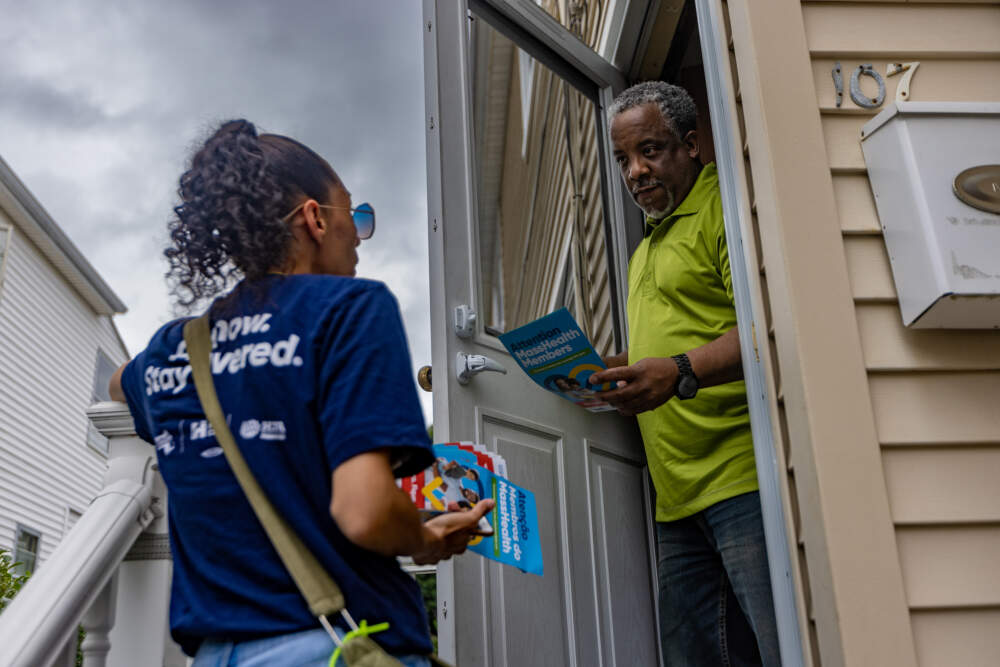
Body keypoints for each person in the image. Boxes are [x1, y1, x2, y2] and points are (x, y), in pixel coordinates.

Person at [109, 119, 493, 667]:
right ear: (315, 218)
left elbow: (117, 381)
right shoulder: (350, 309)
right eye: (354, 216)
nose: (359, 238)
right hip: (337, 646)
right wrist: (427, 539)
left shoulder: (176, 348)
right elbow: (363, 511)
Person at [590, 82, 779, 666]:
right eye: (623, 159)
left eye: (650, 150)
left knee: (782, 647)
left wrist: (675, 371)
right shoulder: (644, 248)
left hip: (741, 479)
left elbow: (769, 324)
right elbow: (680, 332)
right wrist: (606, 371)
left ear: (692, 144)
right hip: (674, 499)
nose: (635, 171)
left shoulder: (726, 207)